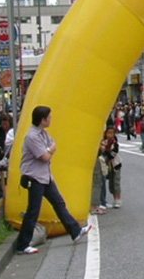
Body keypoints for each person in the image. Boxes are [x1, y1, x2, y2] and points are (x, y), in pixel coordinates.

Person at [15, 106, 92, 254]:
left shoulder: (43, 134)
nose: (51, 119)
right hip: (35, 177)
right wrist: (49, 150)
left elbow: (52, 146)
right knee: (33, 210)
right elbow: (44, 156)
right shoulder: (32, 136)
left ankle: (75, 231)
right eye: (49, 117)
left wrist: (49, 150)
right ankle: (22, 244)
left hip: (45, 176)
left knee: (59, 203)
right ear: (42, 120)